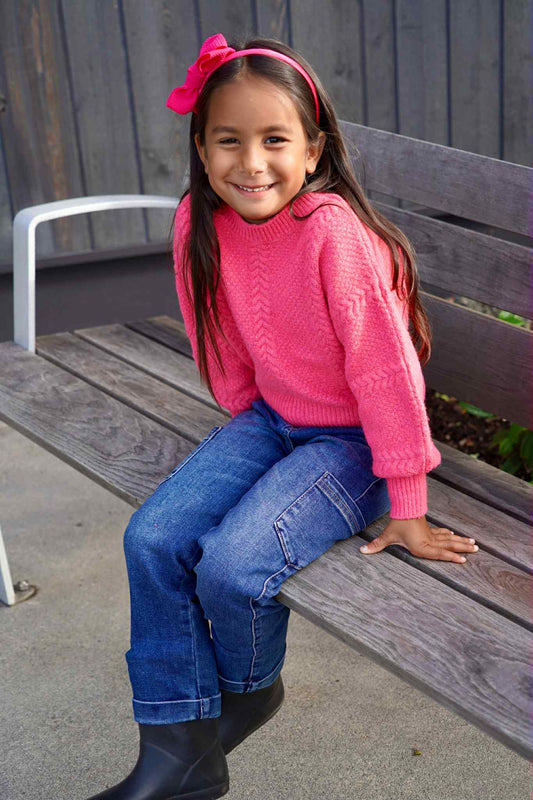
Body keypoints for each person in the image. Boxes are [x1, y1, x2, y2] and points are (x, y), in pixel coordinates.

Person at [86, 32, 478, 800]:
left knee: (234, 567)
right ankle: (175, 747)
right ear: (201, 149)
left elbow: (386, 372)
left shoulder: (331, 232)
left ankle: (248, 690)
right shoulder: (199, 223)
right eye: (228, 141)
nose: (251, 163)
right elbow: (218, 334)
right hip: (271, 423)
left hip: (356, 443)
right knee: (153, 537)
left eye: (274, 139)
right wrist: (242, 436)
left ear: (313, 149)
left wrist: (406, 504)